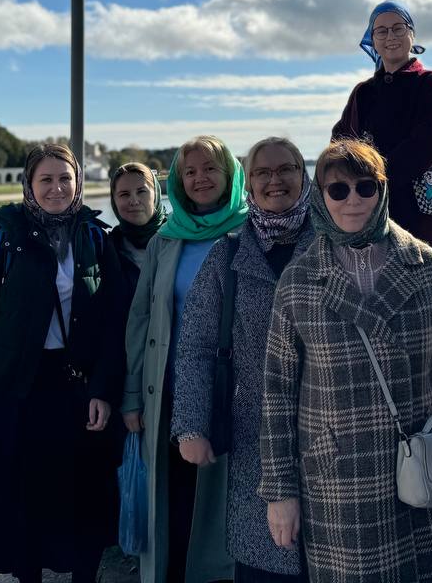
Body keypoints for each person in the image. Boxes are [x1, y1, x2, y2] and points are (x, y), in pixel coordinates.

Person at [258, 139, 432, 583]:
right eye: (338, 190)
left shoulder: (426, 267)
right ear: (320, 195)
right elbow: (277, 394)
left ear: (382, 189)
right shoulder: (298, 281)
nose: (352, 200)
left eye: (365, 187)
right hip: (339, 475)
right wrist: (280, 493)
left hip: (427, 465)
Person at [0, 143, 130, 583]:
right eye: (45, 179)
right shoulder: (1, 245)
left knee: (83, 496)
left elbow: (115, 325)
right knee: (23, 499)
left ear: (78, 183)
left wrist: (103, 390)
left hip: (76, 389)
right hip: (17, 393)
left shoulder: (95, 240)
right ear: (29, 185)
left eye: (65, 178)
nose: (56, 188)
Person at [172, 137, 317, 583]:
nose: (275, 180)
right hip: (254, 431)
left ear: (304, 176)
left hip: (329, 428)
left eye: (286, 169)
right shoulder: (229, 253)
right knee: (264, 555)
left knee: (328, 556)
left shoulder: (333, 243)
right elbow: (196, 344)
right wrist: (191, 425)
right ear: (248, 184)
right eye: (262, 172)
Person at [122, 135, 247, 583]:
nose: (200, 178)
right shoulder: (166, 240)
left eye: (210, 168)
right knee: (172, 502)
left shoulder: (252, 233)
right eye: (189, 171)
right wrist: (132, 396)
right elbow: (141, 320)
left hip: (233, 395)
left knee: (221, 507)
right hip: (167, 393)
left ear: (230, 175)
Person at [332, 0, 432, 249]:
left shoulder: (429, 83)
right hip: (364, 207)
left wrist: (376, 179)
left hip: (413, 206)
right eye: (381, 31)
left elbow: (430, 140)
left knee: (416, 267)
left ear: (411, 34)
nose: (390, 37)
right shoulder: (363, 92)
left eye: (398, 28)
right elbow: (340, 142)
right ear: (372, 40)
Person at [109, 160, 167, 291]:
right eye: (124, 194)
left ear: (155, 194)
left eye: (141, 191)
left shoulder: (180, 240)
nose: (134, 201)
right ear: (114, 201)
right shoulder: (104, 249)